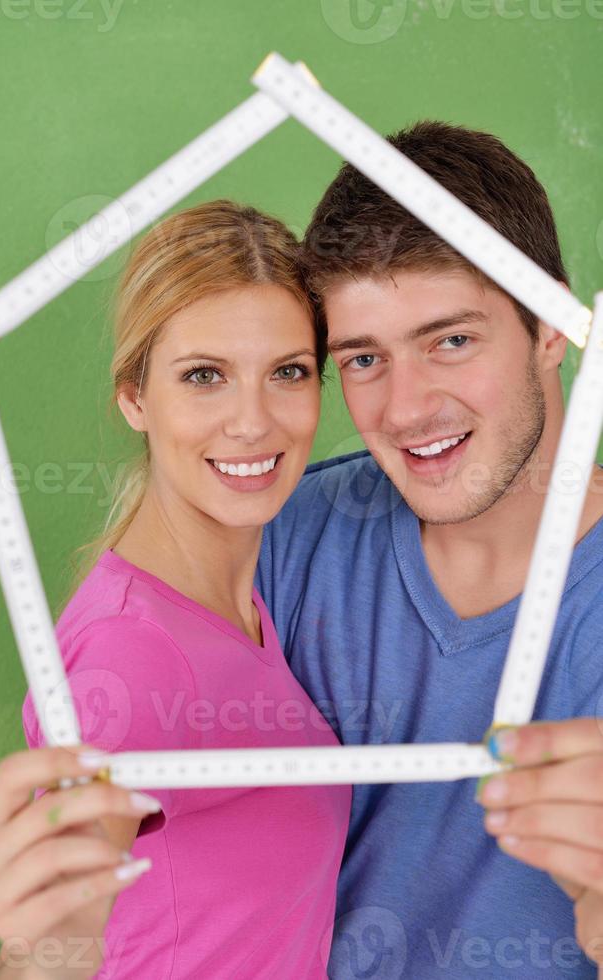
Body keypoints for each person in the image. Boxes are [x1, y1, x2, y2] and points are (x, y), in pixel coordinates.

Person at [255, 119, 603, 978]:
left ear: (553, 325)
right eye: (365, 358)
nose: (406, 410)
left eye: (451, 339)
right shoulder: (287, 535)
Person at [0, 200, 351, 979]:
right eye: (204, 376)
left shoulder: (235, 600)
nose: (253, 423)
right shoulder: (135, 656)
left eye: (287, 372)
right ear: (135, 397)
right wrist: (54, 951)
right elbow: (44, 953)